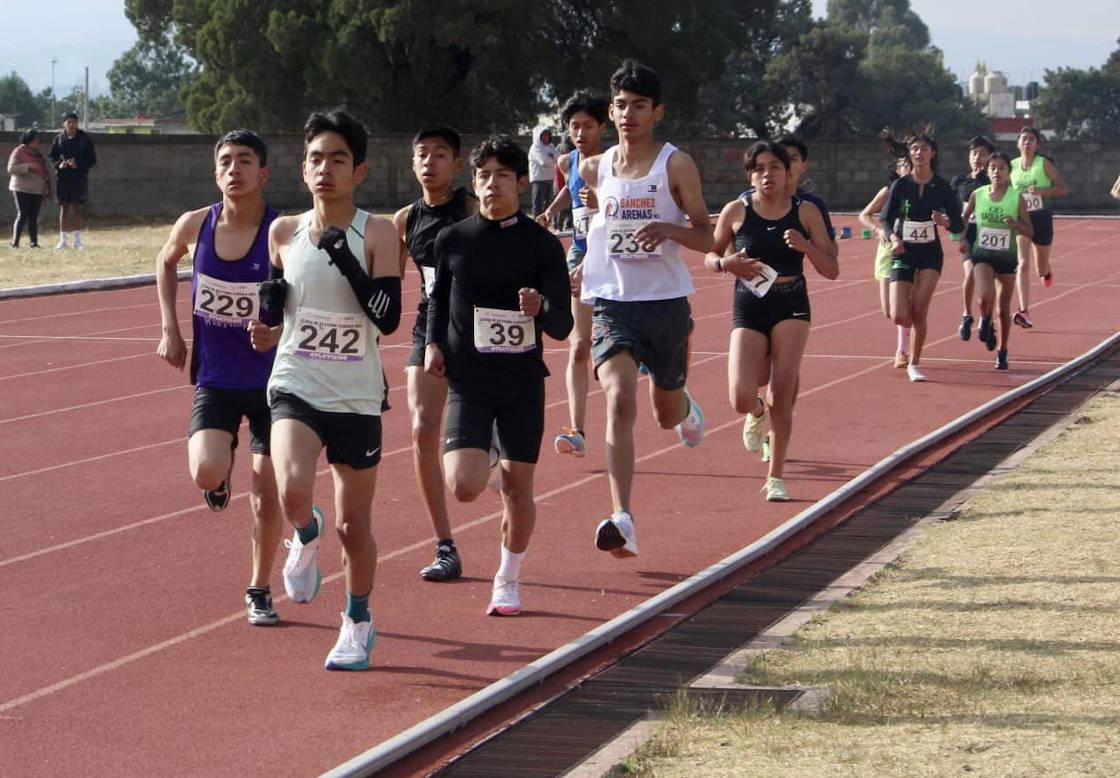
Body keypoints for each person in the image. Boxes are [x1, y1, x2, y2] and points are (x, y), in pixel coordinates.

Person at [252, 109, 401, 670]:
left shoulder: (377, 231)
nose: (325, 169)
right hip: (295, 380)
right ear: (303, 168)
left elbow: (387, 319)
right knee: (290, 489)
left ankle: (357, 619)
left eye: (338, 159)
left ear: (358, 170)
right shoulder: (283, 231)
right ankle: (303, 533)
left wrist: (345, 256)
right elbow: (279, 295)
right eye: (315, 158)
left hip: (357, 396)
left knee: (353, 525)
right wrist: (268, 318)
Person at [425, 134, 573, 616]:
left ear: (522, 182)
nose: (492, 184)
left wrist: (542, 306)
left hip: (521, 383)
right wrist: (431, 344)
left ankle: (507, 577)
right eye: (484, 176)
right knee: (465, 486)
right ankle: (483, 451)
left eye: (502, 176)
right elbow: (436, 300)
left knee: (518, 491)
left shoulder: (542, 245)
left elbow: (562, 326)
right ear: (476, 182)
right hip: (469, 379)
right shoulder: (453, 240)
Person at [578, 59, 713, 557]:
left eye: (638, 105)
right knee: (617, 399)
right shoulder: (594, 167)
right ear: (611, 112)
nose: (628, 114)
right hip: (614, 304)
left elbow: (708, 233)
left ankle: (686, 405)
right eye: (620, 105)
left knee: (664, 412)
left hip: (665, 304)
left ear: (657, 112)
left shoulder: (675, 164)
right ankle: (623, 516)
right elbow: (599, 230)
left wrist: (669, 230)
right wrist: (582, 263)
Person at [155, 129, 283, 625]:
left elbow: (307, 296)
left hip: (274, 384)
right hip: (216, 377)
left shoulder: (281, 232)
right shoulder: (194, 225)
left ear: (263, 173)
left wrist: (277, 332)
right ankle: (220, 472)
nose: (235, 170)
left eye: (245, 161)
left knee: (267, 489)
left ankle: (259, 586)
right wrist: (171, 327)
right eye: (226, 161)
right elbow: (164, 261)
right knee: (205, 471)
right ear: (216, 173)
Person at [705, 141, 837, 501]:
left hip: (791, 301)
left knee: (782, 390)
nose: (768, 175)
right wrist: (724, 264)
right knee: (740, 395)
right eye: (760, 168)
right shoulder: (736, 210)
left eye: (775, 167)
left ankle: (775, 476)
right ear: (751, 175)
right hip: (749, 302)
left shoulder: (805, 212)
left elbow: (832, 269)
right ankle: (756, 411)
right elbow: (711, 255)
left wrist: (805, 246)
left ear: (787, 172)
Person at [391, 124, 478, 582]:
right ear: (413, 163)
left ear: (456, 163)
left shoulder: (470, 208)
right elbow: (384, 285)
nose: (430, 162)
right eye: (422, 154)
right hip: (430, 327)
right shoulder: (404, 220)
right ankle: (444, 544)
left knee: (479, 448)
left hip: (479, 327)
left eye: (440, 154)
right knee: (423, 429)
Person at [537, 91, 610, 458]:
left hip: (615, 256)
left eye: (588, 126)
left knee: (626, 346)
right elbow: (570, 188)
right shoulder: (568, 160)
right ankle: (576, 429)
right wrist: (550, 210)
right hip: (580, 251)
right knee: (579, 345)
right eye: (574, 126)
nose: (580, 132)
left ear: (602, 126)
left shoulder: (615, 163)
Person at [880, 133, 963, 383]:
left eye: (924, 149)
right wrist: (893, 237)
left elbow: (958, 224)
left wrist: (944, 221)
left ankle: (914, 362)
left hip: (930, 253)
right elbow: (884, 218)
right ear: (910, 154)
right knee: (898, 314)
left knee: (920, 309)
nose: (919, 153)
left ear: (932, 153)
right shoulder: (901, 186)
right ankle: (906, 342)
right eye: (914, 149)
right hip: (903, 251)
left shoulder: (943, 187)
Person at [959, 151, 1033, 370]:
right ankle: (984, 319)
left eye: (1001, 168)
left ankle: (1002, 350)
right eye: (992, 168)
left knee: (1003, 309)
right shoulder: (978, 194)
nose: (996, 172)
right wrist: (962, 238)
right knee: (984, 298)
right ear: (987, 171)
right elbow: (964, 219)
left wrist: (1015, 224)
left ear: (1009, 173)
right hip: (982, 254)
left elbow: (1029, 229)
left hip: (1006, 258)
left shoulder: (1015, 197)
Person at [1010, 127, 1068, 328]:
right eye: (1024, 139)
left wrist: (1043, 190)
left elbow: (1062, 188)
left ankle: (1047, 271)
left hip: (1042, 219)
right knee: (1022, 263)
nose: (1027, 142)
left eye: (1031, 140)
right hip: (1022, 221)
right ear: (1018, 143)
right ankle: (1024, 311)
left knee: (1040, 267)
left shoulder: (1044, 164)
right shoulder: (1011, 167)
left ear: (1037, 144)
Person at [859, 155, 911, 367]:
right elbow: (864, 215)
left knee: (901, 308)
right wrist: (877, 229)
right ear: (897, 169)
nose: (907, 166)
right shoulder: (887, 192)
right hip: (887, 250)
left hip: (910, 251)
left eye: (910, 163)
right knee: (889, 311)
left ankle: (902, 350)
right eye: (903, 163)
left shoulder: (921, 190)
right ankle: (910, 323)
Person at [949, 136, 994, 340]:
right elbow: (949, 204)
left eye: (982, 154)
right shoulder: (960, 180)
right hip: (967, 232)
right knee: (969, 274)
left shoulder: (992, 180)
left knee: (987, 284)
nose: (977, 158)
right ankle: (967, 316)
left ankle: (987, 319)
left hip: (989, 234)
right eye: (974, 153)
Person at [49, 111, 97, 250]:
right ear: (64, 124)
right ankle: (63, 239)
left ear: (77, 123)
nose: (71, 125)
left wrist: (78, 164)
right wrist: (60, 164)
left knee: (77, 207)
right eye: (68, 122)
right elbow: (53, 157)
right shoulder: (58, 138)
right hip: (62, 178)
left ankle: (78, 239)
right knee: (64, 207)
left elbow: (92, 159)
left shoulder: (84, 139)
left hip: (78, 178)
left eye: (74, 122)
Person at [7, 129, 51, 248]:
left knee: (33, 217)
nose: (38, 143)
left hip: (37, 190)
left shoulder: (38, 155)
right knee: (22, 215)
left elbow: (44, 170)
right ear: (28, 140)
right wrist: (28, 166)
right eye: (35, 140)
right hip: (22, 188)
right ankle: (15, 242)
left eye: (38, 140)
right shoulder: (18, 151)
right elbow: (11, 169)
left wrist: (46, 183)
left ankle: (34, 242)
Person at [528, 126, 558, 218]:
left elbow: (559, 158)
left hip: (550, 179)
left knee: (548, 205)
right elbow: (543, 162)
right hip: (539, 180)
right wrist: (553, 159)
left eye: (547, 135)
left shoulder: (551, 147)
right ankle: (536, 223)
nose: (546, 137)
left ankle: (546, 224)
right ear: (538, 136)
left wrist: (553, 159)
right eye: (543, 135)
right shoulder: (535, 148)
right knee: (538, 205)